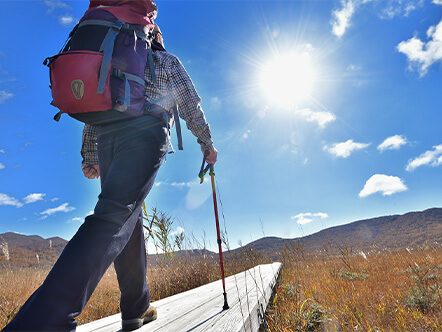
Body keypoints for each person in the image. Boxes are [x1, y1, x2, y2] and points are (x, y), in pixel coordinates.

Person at [3, 22, 217, 332]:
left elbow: (98, 107)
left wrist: (90, 157)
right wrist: (208, 145)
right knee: (116, 214)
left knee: (127, 217)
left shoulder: (114, 61)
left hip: (108, 139)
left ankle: (136, 307)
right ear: (155, 37)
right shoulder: (166, 60)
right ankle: (46, 320)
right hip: (146, 133)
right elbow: (190, 104)